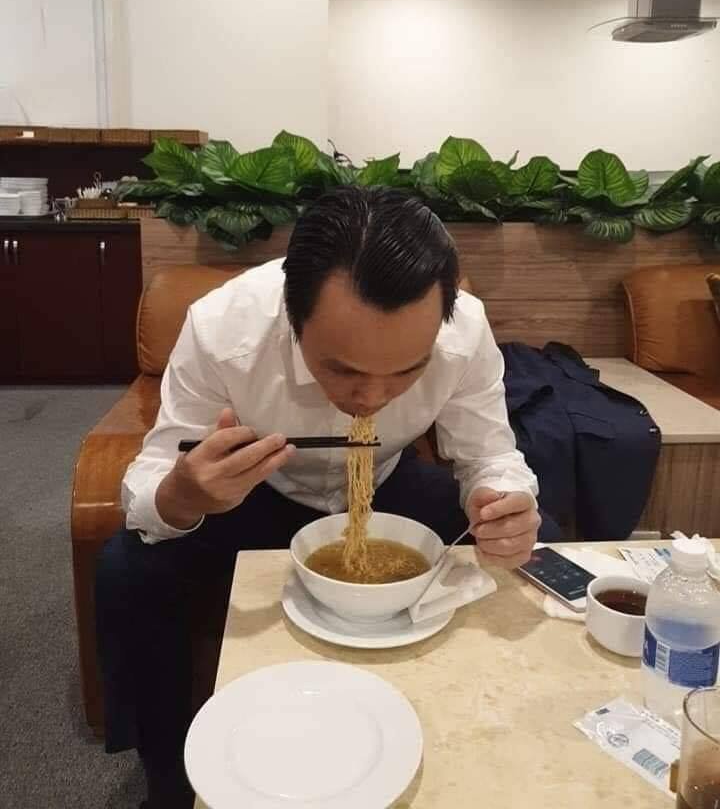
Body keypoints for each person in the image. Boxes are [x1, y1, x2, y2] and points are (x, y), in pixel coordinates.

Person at [96, 186, 545, 809]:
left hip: (384, 478)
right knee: (128, 571)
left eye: (406, 371)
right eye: (344, 369)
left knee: (518, 552)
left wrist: (502, 501)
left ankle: (468, 738)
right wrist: (182, 494)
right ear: (292, 312)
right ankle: (168, 778)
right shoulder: (224, 328)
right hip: (254, 490)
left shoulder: (464, 330)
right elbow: (156, 469)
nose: (373, 399)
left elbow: (490, 456)